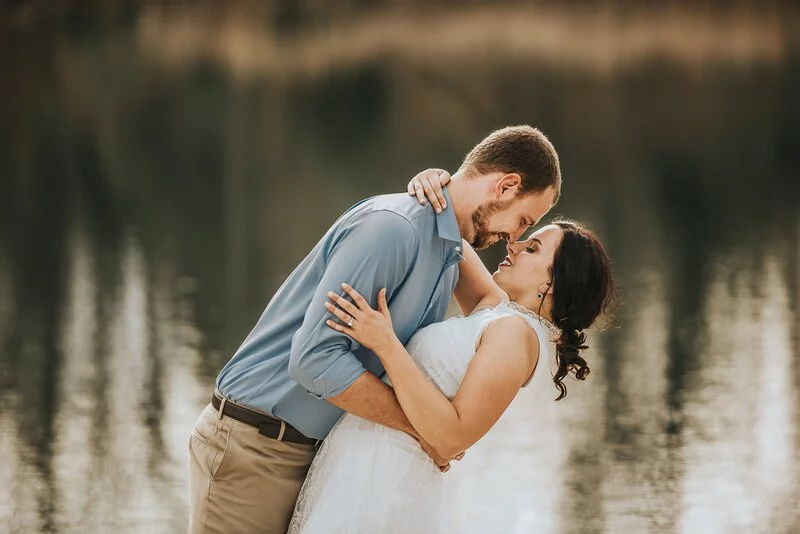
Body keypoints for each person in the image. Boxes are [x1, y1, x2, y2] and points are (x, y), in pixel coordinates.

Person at [188, 125, 562, 534]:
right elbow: (314, 360)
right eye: (523, 220)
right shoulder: (393, 230)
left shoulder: (448, 249)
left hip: (317, 455)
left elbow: (497, 307)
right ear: (506, 186)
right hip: (255, 447)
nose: (515, 237)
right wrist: (420, 428)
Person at [287, 201, 616, 532]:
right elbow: (448, 229)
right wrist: (434, 182)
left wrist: (385, 344)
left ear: (551, 284)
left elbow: (451, 439)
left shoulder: (516, 335)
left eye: (532, 249)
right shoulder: (497, 311)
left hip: (388, 478)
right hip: (364, 462)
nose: (513, 246)